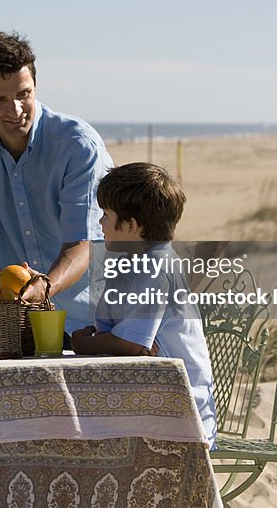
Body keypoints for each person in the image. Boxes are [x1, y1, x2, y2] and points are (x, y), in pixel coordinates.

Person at [0, 30, 113, 336]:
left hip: (94, 322)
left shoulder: (79, 145)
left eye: (24, 94)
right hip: (16, 323)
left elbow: (82, 244)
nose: (17, 111)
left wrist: (44, 288)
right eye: (0, 100)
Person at [71, 162, 217, 448]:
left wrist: (83, 343)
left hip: (181, 414)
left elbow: (132, 346)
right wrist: (104, 337)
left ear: (130, 225)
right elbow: (126, 338)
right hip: (154, 398)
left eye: (106, 215)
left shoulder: (154, 269)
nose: (100, 223)